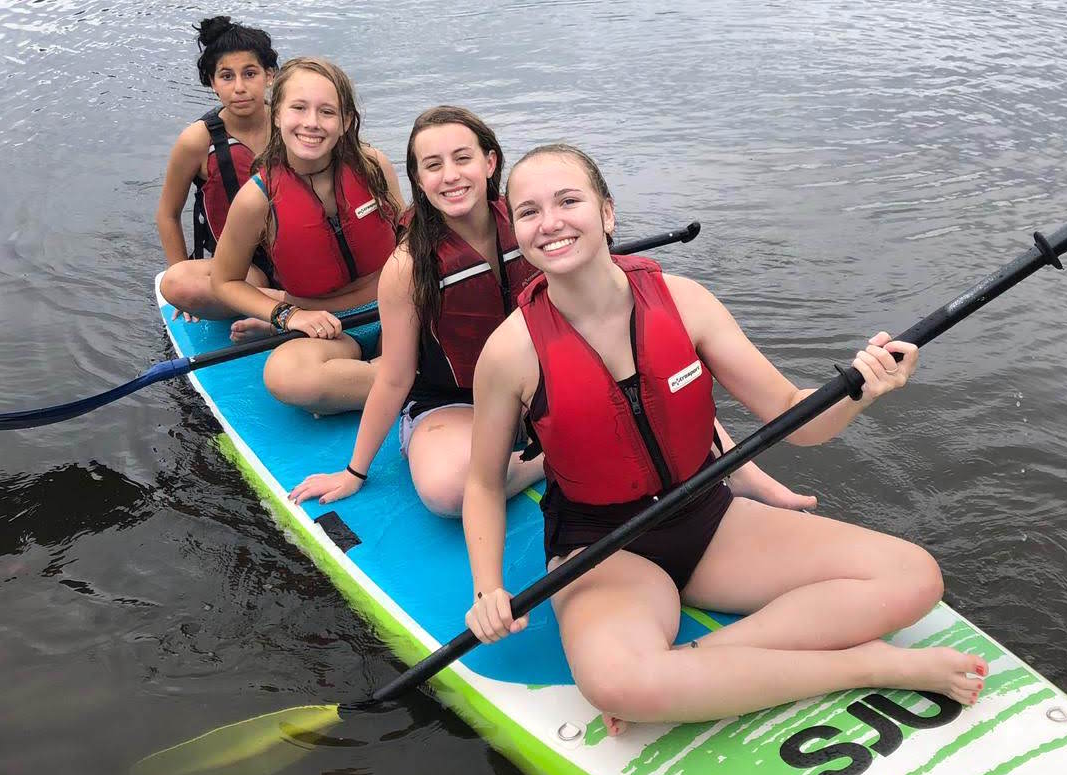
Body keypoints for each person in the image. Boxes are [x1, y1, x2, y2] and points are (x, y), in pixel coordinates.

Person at [462, 144, 987, 737]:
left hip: (710, 519)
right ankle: (865, 665)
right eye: (529, 211)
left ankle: (702, 665)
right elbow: (483, 483)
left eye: (568, 201)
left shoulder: (685, 302)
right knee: (614, 682)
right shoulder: (510, 352)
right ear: (516, 230)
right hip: (602, 550)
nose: (550, 222)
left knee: (915, 576)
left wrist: (862, 391)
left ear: (607, 212)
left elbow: (796, 417)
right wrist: (488, 589)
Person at [288, 108, 812, 517]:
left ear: (490, 162)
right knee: (449, 491)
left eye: (463, 158)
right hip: (455, 403)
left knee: (661, 363)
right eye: (433, 165)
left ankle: (742, 471)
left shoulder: (535, 224)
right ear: (418, 180)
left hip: (549, 382)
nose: (450, 176)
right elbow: (395, 376)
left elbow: (616, 301)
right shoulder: (408, 267)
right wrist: (355, 472)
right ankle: (555, 460)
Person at [210, 57, 403, 414]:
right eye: (298, 108)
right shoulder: (256, 198)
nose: (312, 123)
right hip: (330, 330)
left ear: (346, 122)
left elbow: (407, 240)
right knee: (286, 376)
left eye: (327, 112)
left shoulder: (373, 166)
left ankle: (377, 377)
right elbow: (225, 282)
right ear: (276, 115)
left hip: (398, 311)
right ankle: (410, 378)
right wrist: (286, 316)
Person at [156, 16, 278, 321]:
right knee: (177, 283)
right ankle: (283, 303)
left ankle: (277, 305)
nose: (240, 87)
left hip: (299, 252)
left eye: (250, 73)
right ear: (212, 83)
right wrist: (186, 283)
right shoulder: (196, 140)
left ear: (269, 76)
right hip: (243, 271)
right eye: (226, 76)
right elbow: (168, 214)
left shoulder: (293, 123)